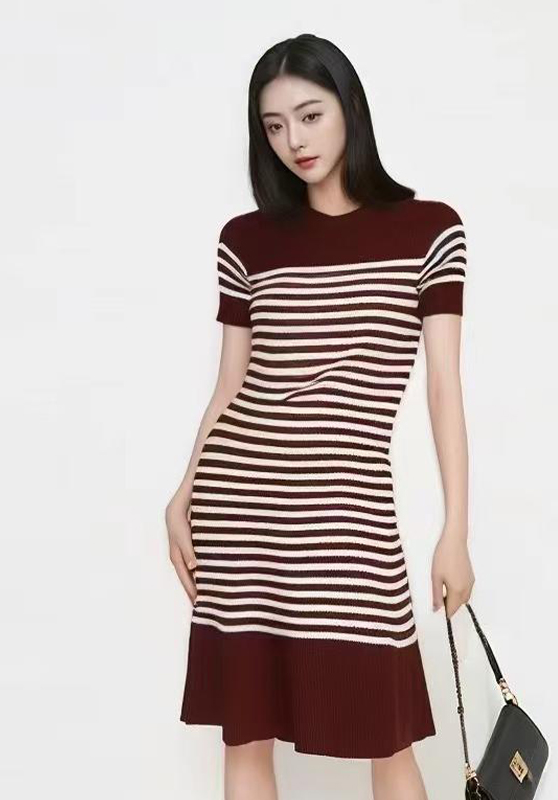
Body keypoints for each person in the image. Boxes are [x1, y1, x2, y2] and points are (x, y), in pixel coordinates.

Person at [165, 32, 475, 800]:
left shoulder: (429, 229)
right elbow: (231, 385)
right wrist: (185, 491)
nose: (294, 141)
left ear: (349, 109)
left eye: (309, 115)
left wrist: (456, 530)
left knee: (388, 740)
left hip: (347, 513)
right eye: (274, 126)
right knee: (245, 736)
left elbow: (443, 387)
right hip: (240, 506)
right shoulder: (246, 240)